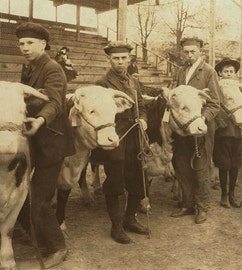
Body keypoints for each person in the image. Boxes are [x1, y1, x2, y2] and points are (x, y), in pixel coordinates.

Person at [15, 22, 75, 268]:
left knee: (39, 198)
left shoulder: (53, 68)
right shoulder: (28, 68)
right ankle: (36, 235)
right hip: (34, 140)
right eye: (21, 43)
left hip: (52, 141)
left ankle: (57, 247)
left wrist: (40, 119)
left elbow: (55, 102)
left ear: (43, 44)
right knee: (22, 193)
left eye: (30, 43)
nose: (25, 47)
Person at [93, 41, 149, 244]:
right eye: (116, 58)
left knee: (138, 177)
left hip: (135, 135)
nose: (120, 62)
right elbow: (100, 111)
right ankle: (116, 227)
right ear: (109, 59)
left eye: (124, 58)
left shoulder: (133, 82)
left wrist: (143, 118)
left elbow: (141, 105)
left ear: (129, 59)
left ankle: (129, 219)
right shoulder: (102, 83)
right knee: (115, 180)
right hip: (115, 135)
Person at [170, 37, 220, 224]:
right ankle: (187, 203)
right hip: (182, 128)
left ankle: (202, 207)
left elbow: (215, 104)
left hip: (201, 128)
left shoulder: (208, 72)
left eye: (193, 51)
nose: (189, 55)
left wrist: (201, 119)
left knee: (201, 167)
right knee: (181, 166)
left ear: (200, 52)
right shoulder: (180, 71)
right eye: (186, 52)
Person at [213, 58, 242, 208]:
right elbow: (215, 105)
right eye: (226, 71)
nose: (229, 74)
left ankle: (232, 194)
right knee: (224, 164)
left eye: (231, 71)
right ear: (220, 73)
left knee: (235, 163)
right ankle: (224, 194)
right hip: (223, 130)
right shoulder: (217, 87)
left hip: (238, 129)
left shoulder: (239, 88)